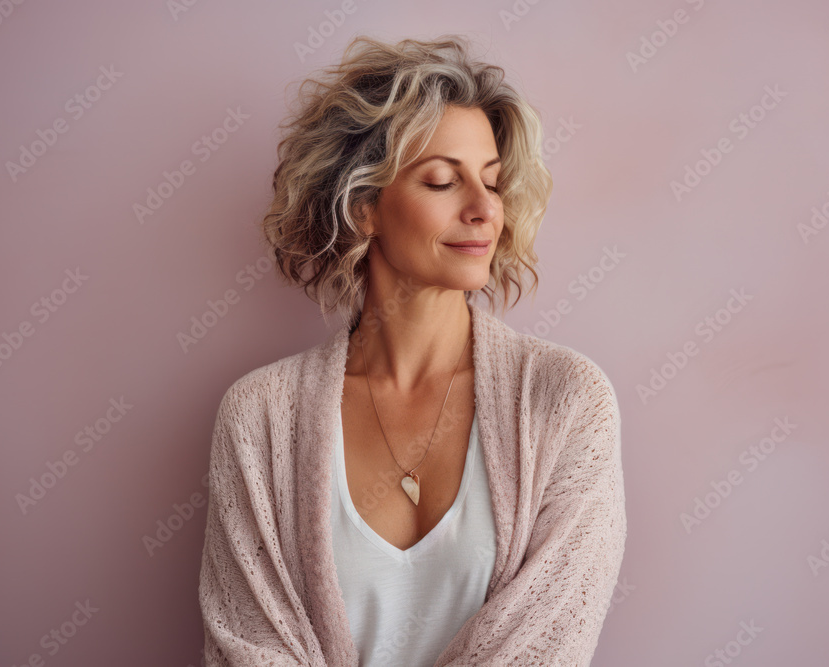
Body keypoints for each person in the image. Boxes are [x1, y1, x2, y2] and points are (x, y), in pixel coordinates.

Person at [198, 34, 626, 667]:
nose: (484, 210)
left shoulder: (564, 401)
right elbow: (249, 647)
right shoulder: (260, 416)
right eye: (442, 182)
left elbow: (545, 648)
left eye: (493, 183)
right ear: (364, 205)